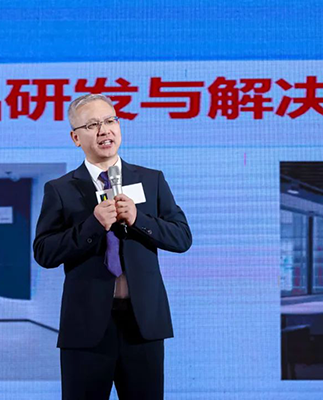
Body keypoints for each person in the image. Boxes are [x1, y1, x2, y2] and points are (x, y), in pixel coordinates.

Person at [33, 93, 192, 400]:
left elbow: (182, 237)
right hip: (86, 327)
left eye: (110, 121)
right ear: (76, 138)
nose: (104, 130)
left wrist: (139, 219)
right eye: (92, 125)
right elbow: (44, 252)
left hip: (143, 324)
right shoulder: (61, 189)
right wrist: (92, 225)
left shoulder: (151, 180)